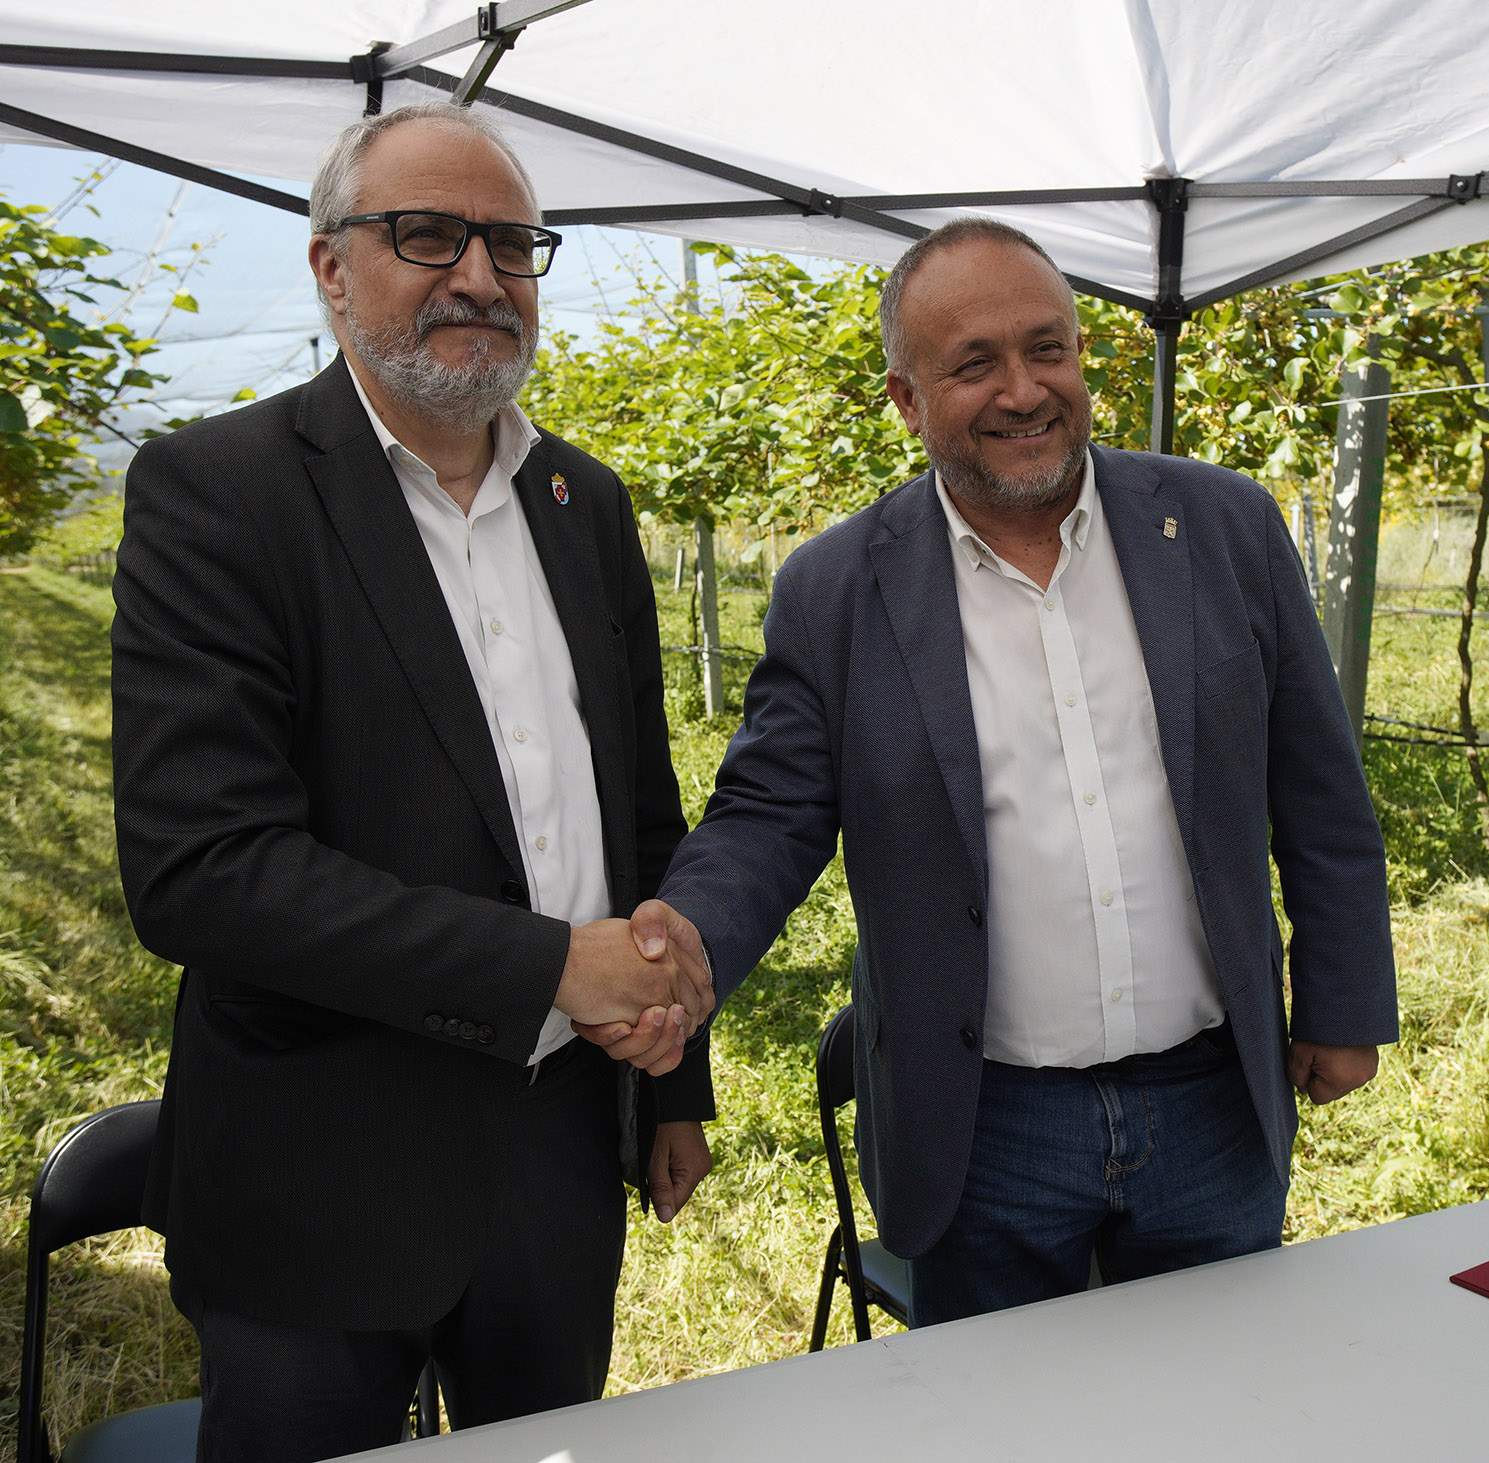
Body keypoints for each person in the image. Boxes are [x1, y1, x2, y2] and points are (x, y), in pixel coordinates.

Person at [595, 218, 1398, 1326]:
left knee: (1220, 1410)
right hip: (983, 1124)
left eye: (1048, 349)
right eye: (974, 363)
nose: (1024, 390)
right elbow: (769, 816)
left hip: (1213, 1099)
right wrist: (681, 948)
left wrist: (1346, 999)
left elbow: (1320, 791)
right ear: (906, 400)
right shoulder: (836, 591)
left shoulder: (1221, 526)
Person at [111, 100, 715, 1462]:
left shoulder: (586, 502)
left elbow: (638, 814)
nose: (479, 277)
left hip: (559, 1151)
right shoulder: (221, 495)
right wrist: (554, 966)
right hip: (316, 1167)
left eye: (509, 244)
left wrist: (675, 1084)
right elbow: (204, 872)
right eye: (428, 235)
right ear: (331, 268)